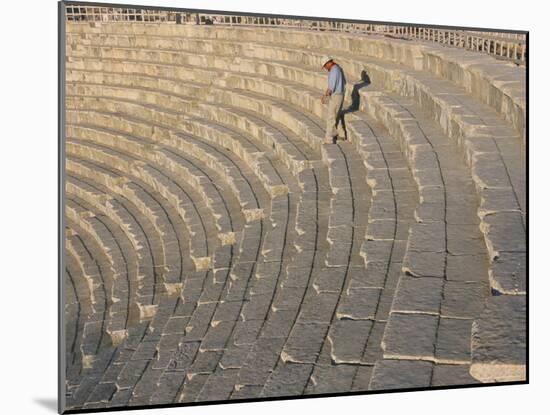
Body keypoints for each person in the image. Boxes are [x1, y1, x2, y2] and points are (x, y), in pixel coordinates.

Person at [321, 57, 347, 143]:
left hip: (336, 96)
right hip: (340, 94)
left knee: (331, 117)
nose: (325, 68)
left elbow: (331, 87)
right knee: (337, 115)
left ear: (328, 63)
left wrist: (325, 96)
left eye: (325, 66)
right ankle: (342, 134)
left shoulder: (334, 71)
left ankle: (328, 138)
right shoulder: (338, 68)